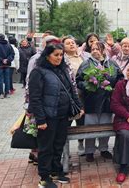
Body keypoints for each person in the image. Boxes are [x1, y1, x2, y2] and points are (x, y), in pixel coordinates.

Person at [28, 43, 84, 188]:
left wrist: (79, 107)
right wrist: (40, 119)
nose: (59, 58)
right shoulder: (38, 72)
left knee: (58, 145)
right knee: (46, 147)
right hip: (48, 117)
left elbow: (71, 90)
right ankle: (44, 178)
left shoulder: (63, 70)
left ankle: (54, 171)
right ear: (47, 56)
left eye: (61, 55)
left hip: (62, 115)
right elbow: (35, 98)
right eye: (56, 55)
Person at [76, 41, 122, 163]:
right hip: (92, 100)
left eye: (97, 49)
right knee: (91, 126)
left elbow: (120, 78)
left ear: (103, 50)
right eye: (93, 49)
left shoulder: (112, 63)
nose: (95, 51)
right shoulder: (86, 64)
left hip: (108, 99)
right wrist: (88, 85)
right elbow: (78, 80)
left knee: (105, 125)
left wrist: (115, 88)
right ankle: (89, 151)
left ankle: (103, 148)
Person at [62, 36, 86, 155]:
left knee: (81, 120)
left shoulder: (83, 58)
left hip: (82, 94)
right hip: (68, 96)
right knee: (67, 121)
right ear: (63, 47)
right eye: (68, 43)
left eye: (73, 43)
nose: (71, 45)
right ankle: (64, 150)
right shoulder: (62, 59)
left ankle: (81, 144)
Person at [0, 34, 14, 98]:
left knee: (0, 79)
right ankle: (6, 93)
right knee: (7, 79)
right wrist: (7, 60)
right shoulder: (9, 45)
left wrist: (2, 60)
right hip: (7, 65)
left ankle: (1, 93)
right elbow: (12, 54)